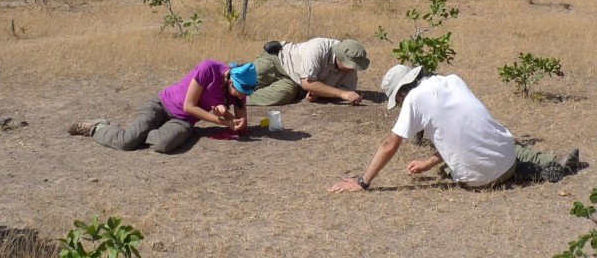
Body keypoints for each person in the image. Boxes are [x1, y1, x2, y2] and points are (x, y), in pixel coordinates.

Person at [328, 64, 579, 192]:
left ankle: (530, 172)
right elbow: (464, 132)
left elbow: (389, 145)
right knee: (506, 144)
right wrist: (427, 162)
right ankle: (545, 163)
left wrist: (362, 182)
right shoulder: (452, 80)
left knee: (450, 168)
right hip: (506, 154)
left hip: (479, 180)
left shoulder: (414, 100)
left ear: (402, 93)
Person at [67, 60, 257, 153]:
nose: (241, 95)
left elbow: (242, 125)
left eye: (245, 93)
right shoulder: (209, 68)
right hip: (162, 105)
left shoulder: (239, 93)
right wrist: (222, 120)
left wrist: (233, 121)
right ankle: (96, 127)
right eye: (239, 90)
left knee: (163, 145)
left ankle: (140, 133)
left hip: (183, 121)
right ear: (230, 78)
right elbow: (189, 106)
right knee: (125, 142)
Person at [246, 38, 370, 107]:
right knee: (249, 80)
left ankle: (240, 99)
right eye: (350, 65)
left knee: (283, 95)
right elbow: (308, 83)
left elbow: (344, 89)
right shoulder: (318, 48)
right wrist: (342, 94)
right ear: (340, 56)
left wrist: (320, 94)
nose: (353, 69)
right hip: (278, 60)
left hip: (293, 81)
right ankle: (231, 83)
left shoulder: (350, 72)